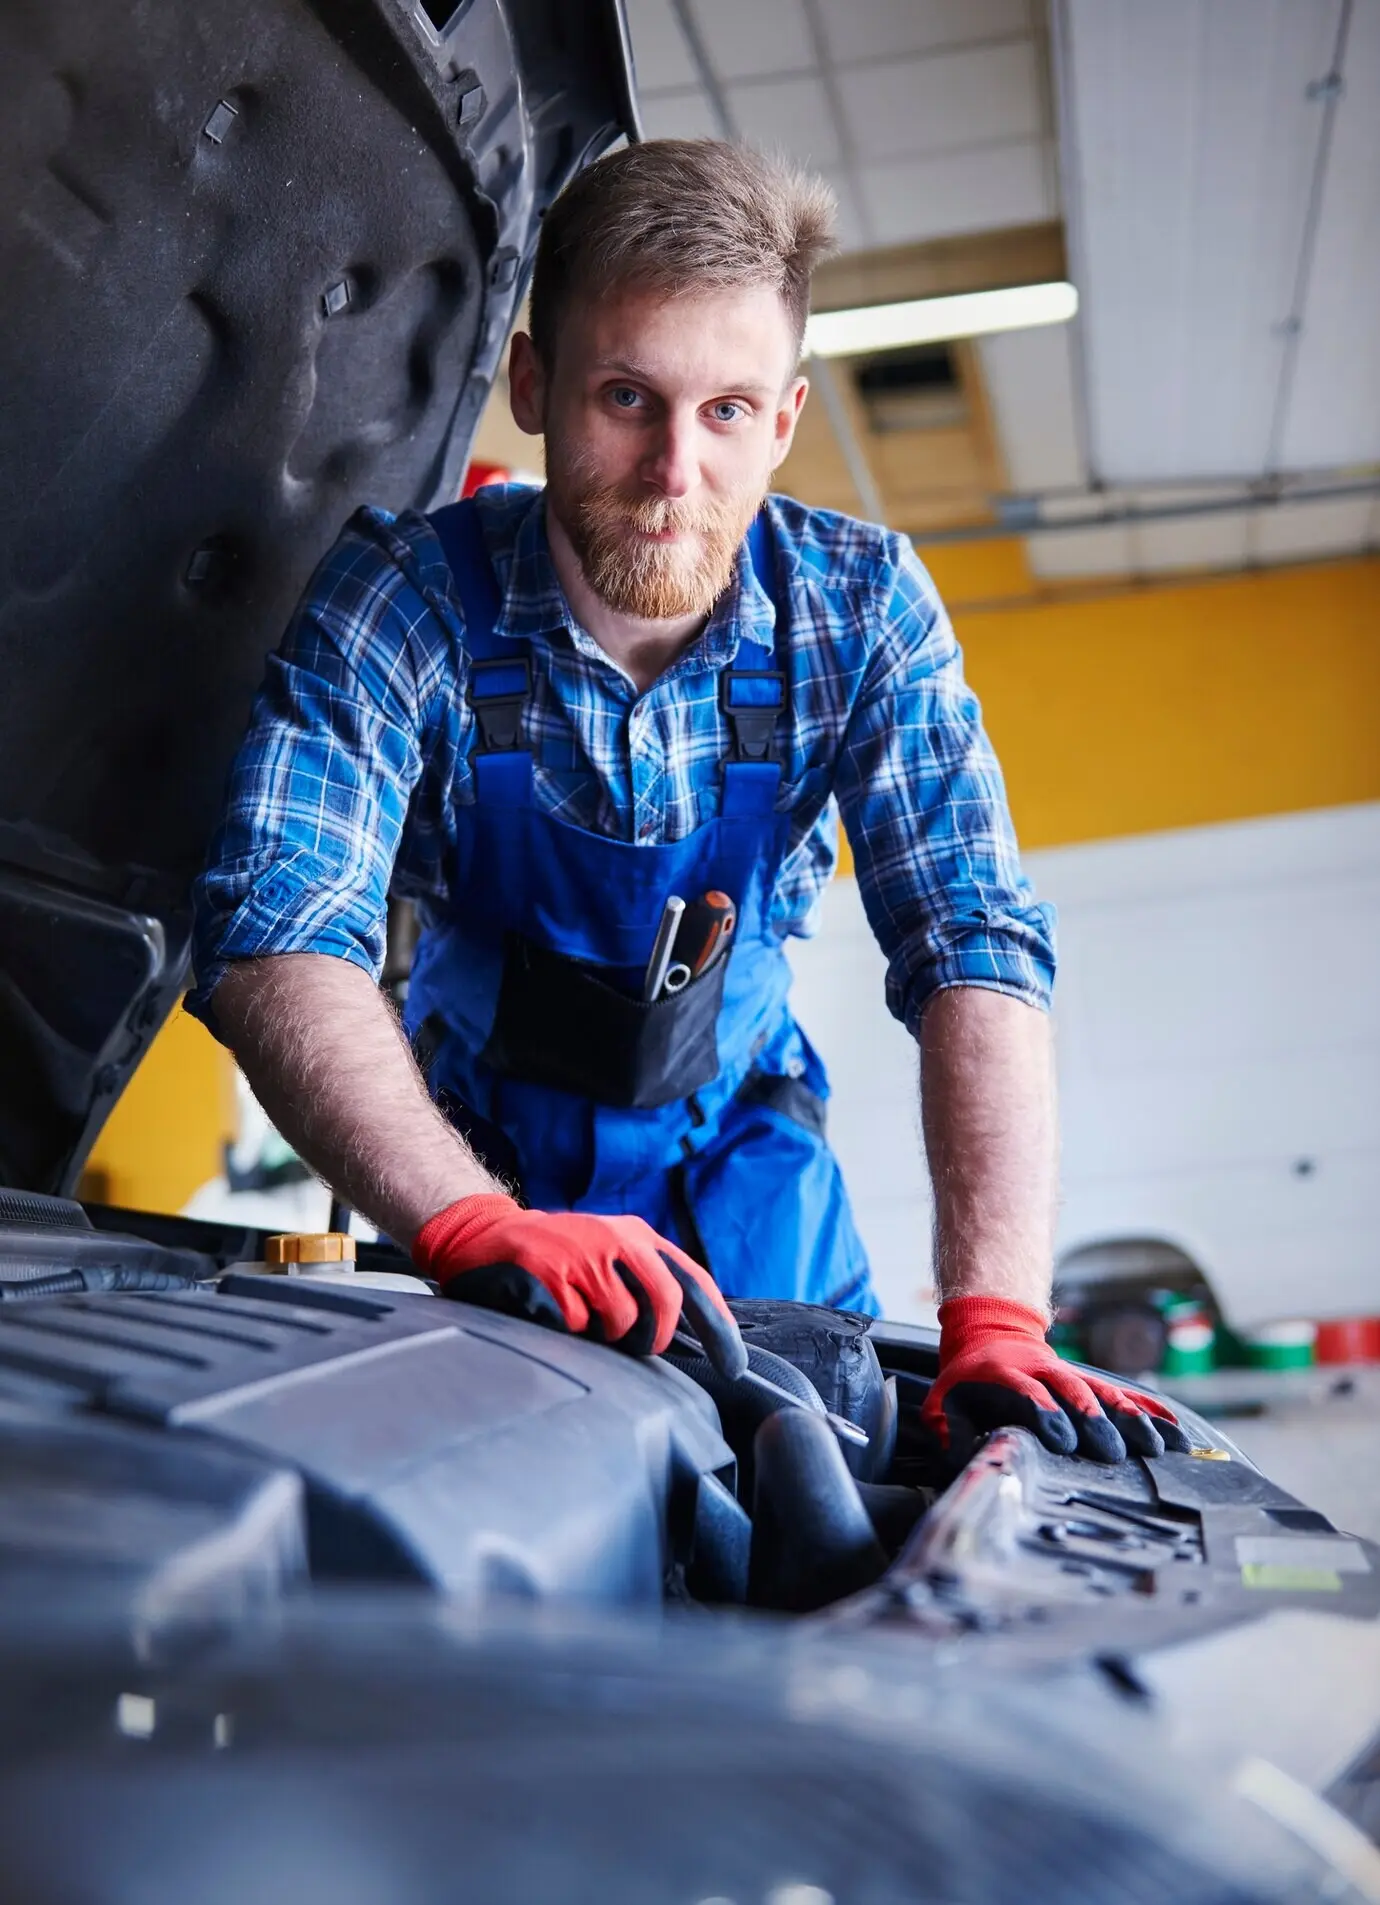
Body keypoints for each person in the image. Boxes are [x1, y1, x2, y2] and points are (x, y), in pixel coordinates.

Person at [189, 139, 1185, 1464]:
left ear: (783, 421)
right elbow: (275, 927)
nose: (675, 473)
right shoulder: (402, 608)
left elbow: (975, 941)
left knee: (819, 1487)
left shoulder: (858, 612)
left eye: (727, 412)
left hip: (749, 1178)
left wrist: (998, 1315)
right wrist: (468, 1223)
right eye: (627, 397)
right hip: (473, 1179)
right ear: (536, 386)